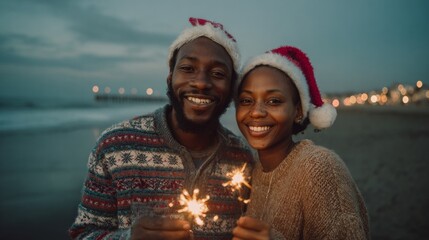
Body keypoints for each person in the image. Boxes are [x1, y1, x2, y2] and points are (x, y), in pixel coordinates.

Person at [69, 17, 254, 240]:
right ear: (170, 78)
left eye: (218, 74)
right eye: (187, 68)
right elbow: (81, 234)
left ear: (232, 87)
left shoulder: (242, 158)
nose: (201, 82)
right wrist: (129, 237)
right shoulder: (114, 147)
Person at [232, 46, 369, 239]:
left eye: (273, 101)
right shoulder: (251, 170)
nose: (256, 112)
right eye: (246, 100)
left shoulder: (319, 167)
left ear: (298, 111)